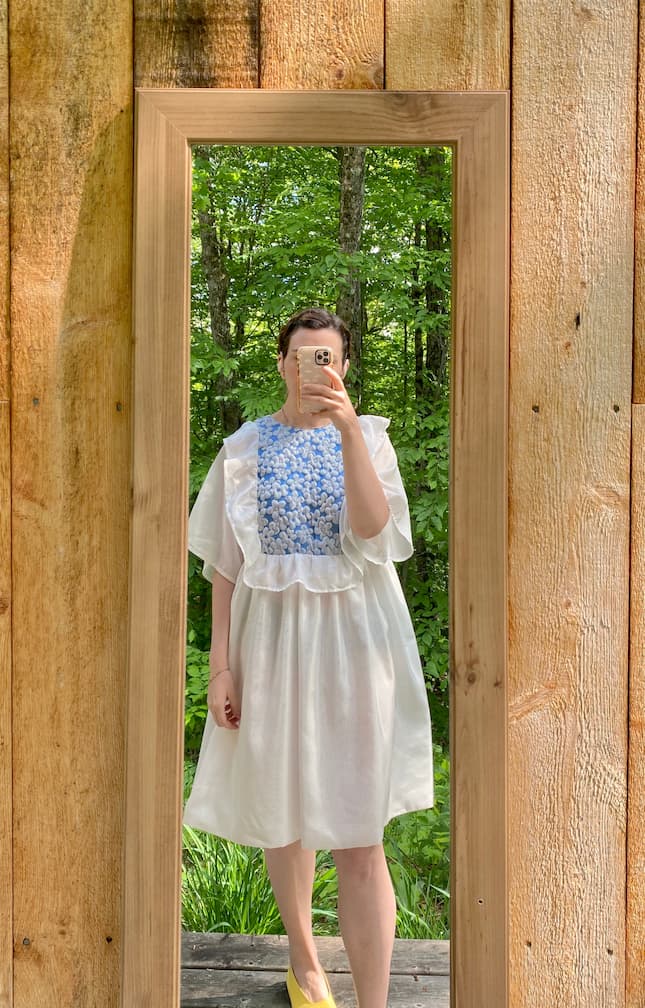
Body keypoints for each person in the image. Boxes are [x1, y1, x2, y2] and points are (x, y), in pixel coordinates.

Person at [183, 307, 434, 1008]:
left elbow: (371, 526)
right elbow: (224, 571)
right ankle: (304, 963)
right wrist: (222, 667)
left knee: (358, 828)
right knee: (280, 810)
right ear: (280, 364)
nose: (313, 369)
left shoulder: (371, 441)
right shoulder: (241, 450)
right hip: (269, 647)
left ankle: (374, 1001)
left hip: (357, 648)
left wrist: (349, 429)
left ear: (344, 366)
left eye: (327, 357)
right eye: (301, 357)